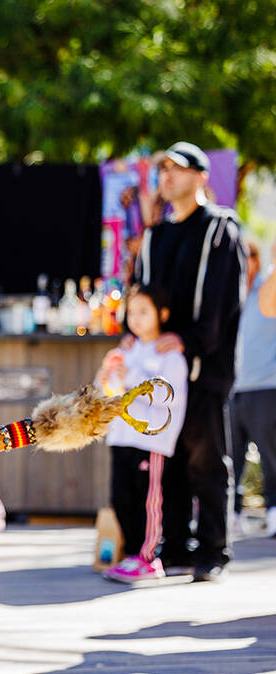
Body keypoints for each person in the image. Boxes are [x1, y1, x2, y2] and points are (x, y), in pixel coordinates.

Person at [132, 141, 247, 582]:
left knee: (206, 458)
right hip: (161, 371)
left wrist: (191, 341)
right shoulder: (157, 235)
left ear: (201, 176)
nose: (167, 177)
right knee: (169, 456)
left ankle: (213, 551)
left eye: (178, 169)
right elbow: (143, 295)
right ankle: (175, 546)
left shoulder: (220, 229)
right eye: (163, 169)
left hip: (204, 365)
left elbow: (222, 299)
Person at [98, 285, 189, 582]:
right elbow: (109, 392)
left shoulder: (171, 355)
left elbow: (168, 394)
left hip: (151, 441)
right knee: (121, 497)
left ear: (162, 314)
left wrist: (132, 379)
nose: (135, 319)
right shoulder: (126, 350)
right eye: (131, 312)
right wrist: (107, 376)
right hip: (121, 436)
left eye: (143, 312)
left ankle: (149, 558)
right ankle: (134, 554)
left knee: (148, 501)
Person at [230, 241, 276, 537]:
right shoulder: (232, 292)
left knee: (272, 456)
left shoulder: (267, 287)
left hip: (265, 386)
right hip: (232, 390)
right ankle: (230, 514)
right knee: (229, 459)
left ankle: (274, 511)